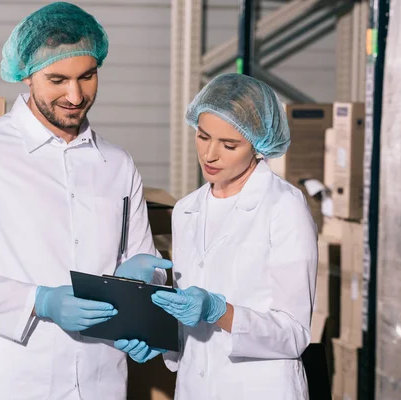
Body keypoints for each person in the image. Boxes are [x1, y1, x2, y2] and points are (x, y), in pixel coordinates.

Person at [0, 3, 170, 399]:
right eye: (58, 79)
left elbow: (142, 265)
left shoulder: (117, 164)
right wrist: (39, 301)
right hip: (15, 381)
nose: (75, 95)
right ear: (27, 76)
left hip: (101, 380)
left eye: (87, 76)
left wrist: (144, 317)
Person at [115, 73, 318, 399]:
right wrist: (156, 335)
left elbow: (294, 334)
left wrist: (218, 311)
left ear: (258, 145)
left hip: (259, 388)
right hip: (196, 387)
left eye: (229, 145)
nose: (209, 155)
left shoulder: (284, 207)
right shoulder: (186, 210)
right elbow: (188, 325)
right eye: (203, 136)